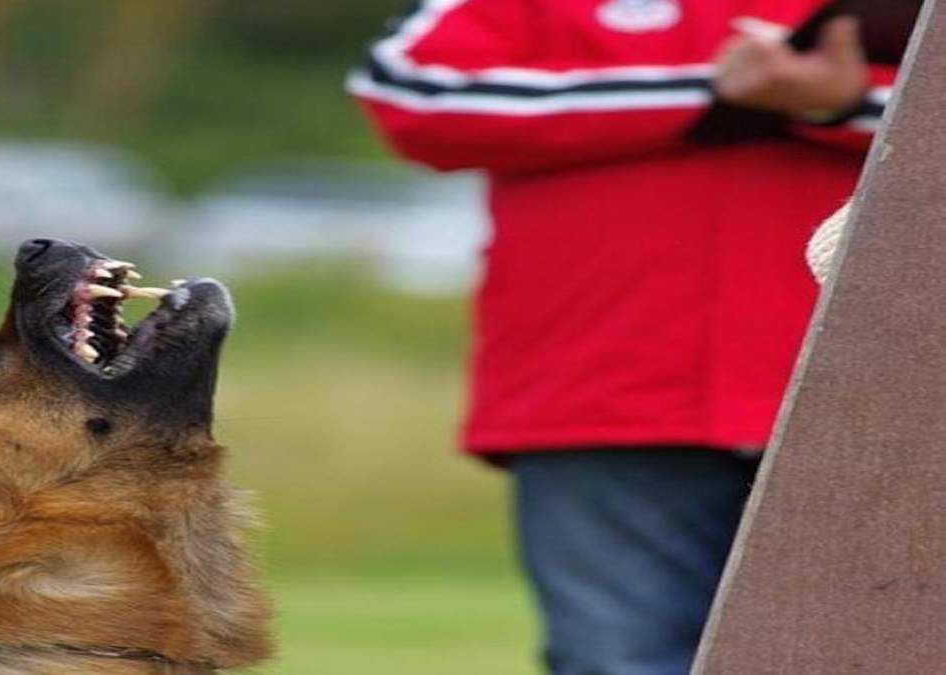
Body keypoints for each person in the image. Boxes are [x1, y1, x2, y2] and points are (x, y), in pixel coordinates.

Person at [348, 2, 896, 673]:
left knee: (867, 653)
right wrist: (710, 93)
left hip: (871, 400)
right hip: (603, 392)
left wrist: (844, 102)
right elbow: (408, 88)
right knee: (616, 661)